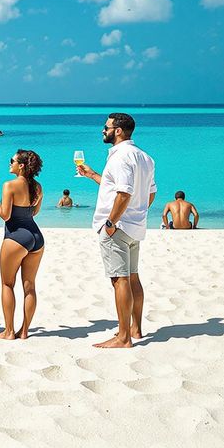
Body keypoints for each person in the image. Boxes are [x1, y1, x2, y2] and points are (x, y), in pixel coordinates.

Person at [78, 112, 157, 349]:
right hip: (134, 226)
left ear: (118, 131)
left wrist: (111, 222)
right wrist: (92, 175)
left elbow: (124, 193)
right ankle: (135, 329)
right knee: (132, 277)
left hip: (117, 227)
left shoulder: (120, 157)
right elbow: (149, 193)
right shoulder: (145, 157)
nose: (103, 130)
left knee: (119, 280)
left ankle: (123, 337)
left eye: (106, 127)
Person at [0, 150, 45, 340]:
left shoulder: (9, 185)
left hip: (16, 236)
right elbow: (34, 212)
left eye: (12, 160)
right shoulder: (37, 186)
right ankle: (24, 331)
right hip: (36, 236)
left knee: (7, 284)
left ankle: (9, 331)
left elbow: (5, 215)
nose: (9, 163)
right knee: (30, 286)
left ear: (21, 166)